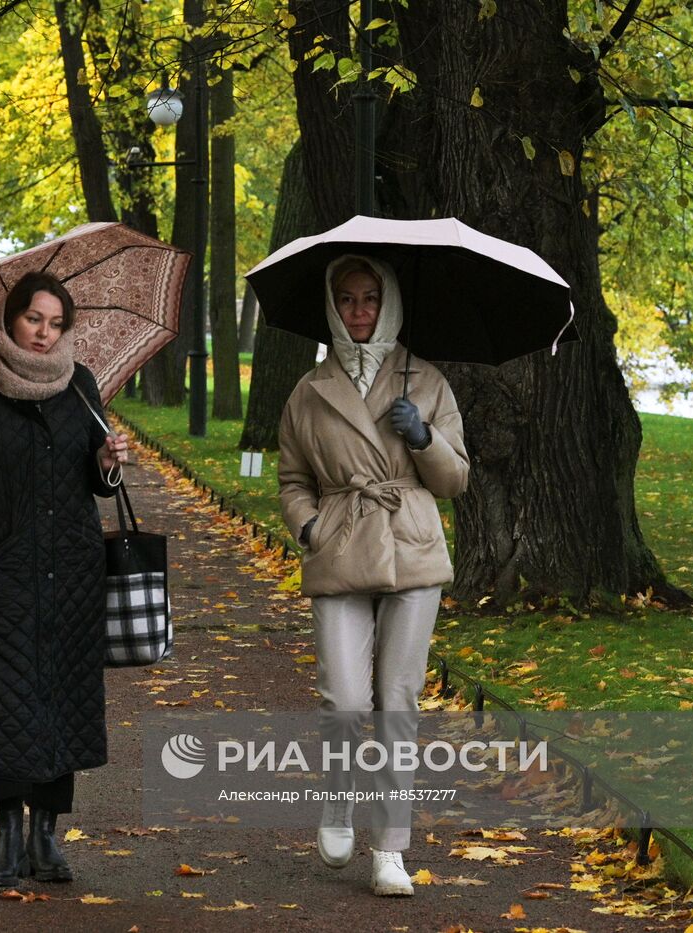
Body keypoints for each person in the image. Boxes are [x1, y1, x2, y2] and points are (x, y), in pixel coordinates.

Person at [277, 254, 469, 896]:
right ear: (333, 308)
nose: (360, 311)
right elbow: (293, 478)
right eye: (348, 299)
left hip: (410, 543)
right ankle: (337, 801)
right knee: (346, 701)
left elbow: (456, 480)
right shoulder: (308, 390)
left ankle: (390, 851)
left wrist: (422, 438)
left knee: (397, 705)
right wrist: (309, 527)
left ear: (388, 304)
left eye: (370, 299)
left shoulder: (428, 380)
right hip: (340, 546)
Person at [0, 270, 129, 887]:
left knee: (65, 696)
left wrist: (107, 465)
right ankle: (7, 835)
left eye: (56, 323)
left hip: (73, 572)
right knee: (7, 700)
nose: (44, 333)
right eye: (34, 319)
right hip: (6, 575)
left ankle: (47, 833)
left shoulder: (81, 387)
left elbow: (96, 485)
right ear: (10, 318)